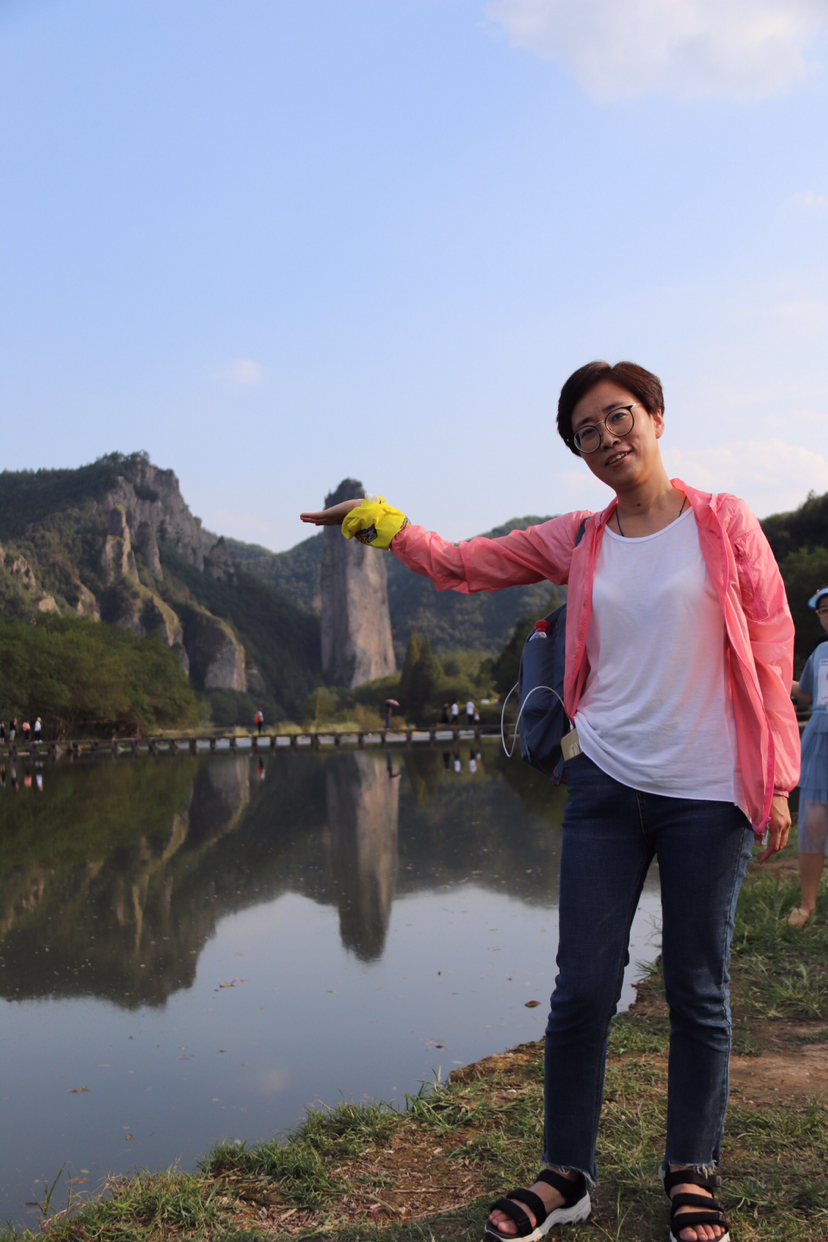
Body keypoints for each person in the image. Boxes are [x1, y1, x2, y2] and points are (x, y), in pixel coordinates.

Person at [301, 360, 798, 1242]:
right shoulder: (579, 539)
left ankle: (692, 1173)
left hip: (710, 791)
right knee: (581, 991)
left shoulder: (725, 523)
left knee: (698, 988)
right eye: (585, 433)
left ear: (656, 417)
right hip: (604, 782)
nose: (606, 439)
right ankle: (567, 1175)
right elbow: (462, 566)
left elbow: (769, 645)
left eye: (618, 417)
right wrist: (378, 523)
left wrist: (780, 779)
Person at [788, 586, 828, 927]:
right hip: (819, 738)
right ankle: (807, 905)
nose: (827, 615)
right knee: (813, 822)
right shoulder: (820, 653)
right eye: (823, 610)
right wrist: (773, 675)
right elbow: (808, 694)